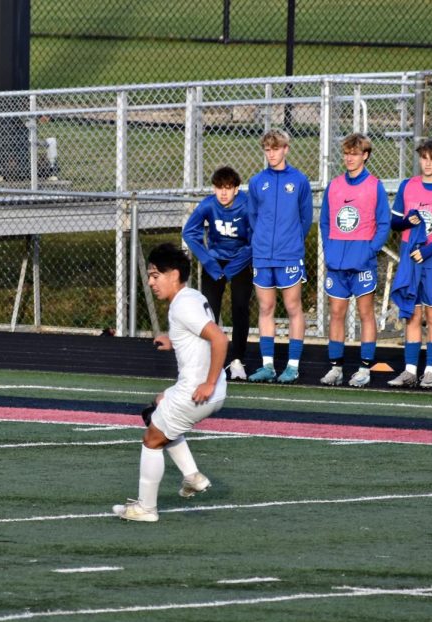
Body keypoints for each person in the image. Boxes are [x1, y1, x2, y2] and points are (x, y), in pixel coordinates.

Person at [113, 243, 227, 522]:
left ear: (174, 275)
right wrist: (172, 340)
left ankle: (146, 508)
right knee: (156, 410)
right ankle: (192, 476)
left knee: (152, 440)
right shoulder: (190, 297)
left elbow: (220, 339)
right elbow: (198, 336)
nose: (151, 282)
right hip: (205, 388)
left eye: (155, 275)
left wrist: (208, 383)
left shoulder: (182, 305)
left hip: (199, 390)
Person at [387, 139, 432, 389]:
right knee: (412, 314)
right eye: (424, 158)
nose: (428, 163)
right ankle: (409, 370)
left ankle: (430, 370)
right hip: (410, 259)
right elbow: (395, 223)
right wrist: (408, 221)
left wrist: (428, 250)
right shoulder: (407, 186)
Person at [317, 133, 390, 387]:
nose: (349, 158)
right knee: (336, 313)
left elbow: (384, 223)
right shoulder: (335, 185)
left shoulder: (374, 186)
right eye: (347, 153)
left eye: (355, 153)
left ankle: (364, 367)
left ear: (365, 156)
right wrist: (329, 247)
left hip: (362, 263)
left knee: (365, 313)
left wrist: (370, 250)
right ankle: (336, 367)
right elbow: (325, 221)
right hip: (337, 262)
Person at [246, 129, 313, 384]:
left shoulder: (299, 180)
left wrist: (291, 240)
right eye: (267, 149)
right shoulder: (256, 182)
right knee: (265, 307)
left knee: (293, 307)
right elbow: (253, 218)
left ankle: (293, 366)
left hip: (289, 255)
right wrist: (261, 240)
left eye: (276, 149)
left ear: (286, 149)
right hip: (262, 255)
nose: (271, 154)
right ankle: (267, 366)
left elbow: (305, 218)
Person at [182, 166, 254, 381]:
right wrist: (209, 261)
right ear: (213, 188)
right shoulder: (208, 205)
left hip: (240, 261)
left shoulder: (247, 205)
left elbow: (256, 240)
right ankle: (207, 361)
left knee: (240, 307)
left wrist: (234, 267)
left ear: (236, 189)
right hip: (215, 261)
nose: (223, 193)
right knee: (208, 311)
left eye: (228, 188)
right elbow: (189, 232)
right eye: (219, 188)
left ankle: (237, 361)